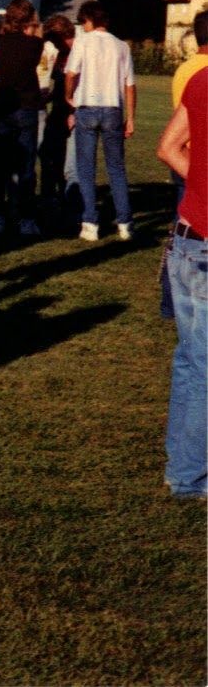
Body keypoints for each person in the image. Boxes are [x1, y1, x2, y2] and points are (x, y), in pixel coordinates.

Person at [155, 67, 208, 498]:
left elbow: (169, 148)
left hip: (187, 237)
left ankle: (184, 470)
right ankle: (190, 476)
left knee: (193, 361)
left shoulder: (201, 79)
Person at [64, 1, 135, 241]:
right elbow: (129, 85)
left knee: (86, 169)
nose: (82, 27)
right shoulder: (121, 46)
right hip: (113, 108)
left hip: (87, 107)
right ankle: (125, 223)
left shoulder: (83, 42)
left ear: (90, 20)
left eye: (83, 22)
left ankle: (90, 223)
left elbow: (71, 73)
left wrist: (68, 95)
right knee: (116, 168)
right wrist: (131, 118)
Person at [0, 0, 45, 237]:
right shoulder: (35, 44)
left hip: (3, 106)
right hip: (27, 106)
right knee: (27, 166)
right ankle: (26, 219)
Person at [38, 13, 77, 224]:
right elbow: (60, 87)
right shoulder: (59, 55)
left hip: (71, 115)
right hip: (57, 113)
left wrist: (74, 113)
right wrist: (48, 96)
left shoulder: (79, 53)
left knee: (69, 164)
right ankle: (47, 200)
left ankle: (69, 206)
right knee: (47, 155)